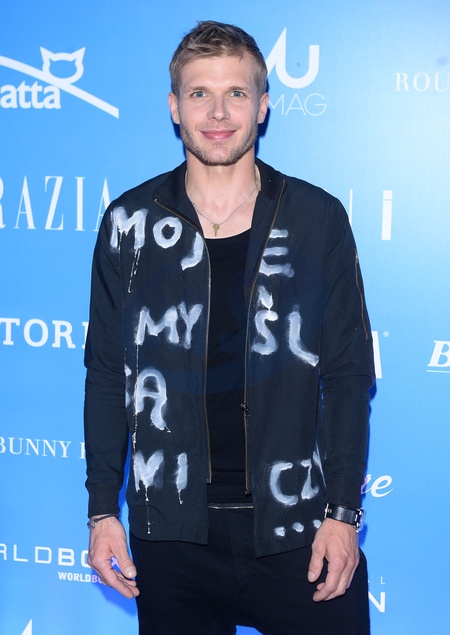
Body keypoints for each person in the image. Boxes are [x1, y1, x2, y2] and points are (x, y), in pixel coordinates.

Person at [84, 20, 374, 635]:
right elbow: (108, 374)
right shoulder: (129, 224)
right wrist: (102, 511)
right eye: (200, 93)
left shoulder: (317, 218)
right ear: (174, 107)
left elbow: (349, 375)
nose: (218, 113)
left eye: (236, 93)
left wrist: (343, 512)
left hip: (300, 530)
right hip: (171, 536)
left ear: (263, 105)